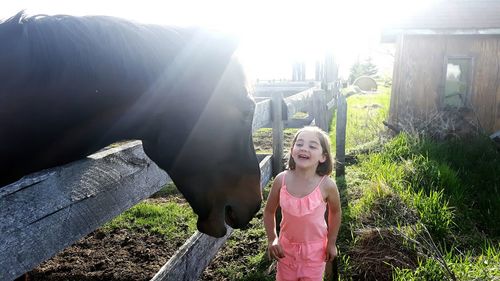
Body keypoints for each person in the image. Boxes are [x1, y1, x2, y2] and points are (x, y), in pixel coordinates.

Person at [264, 126, 341, 281]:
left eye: (312, 146)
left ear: (323, 157)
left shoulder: (327, 185)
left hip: (315, 252)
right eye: (299, 144)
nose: (304, 148)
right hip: (285, 250)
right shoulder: (281, 180)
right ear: (292, 150)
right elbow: (269, 211)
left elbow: (336, 212)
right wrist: (272, 238)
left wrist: (331, 242)